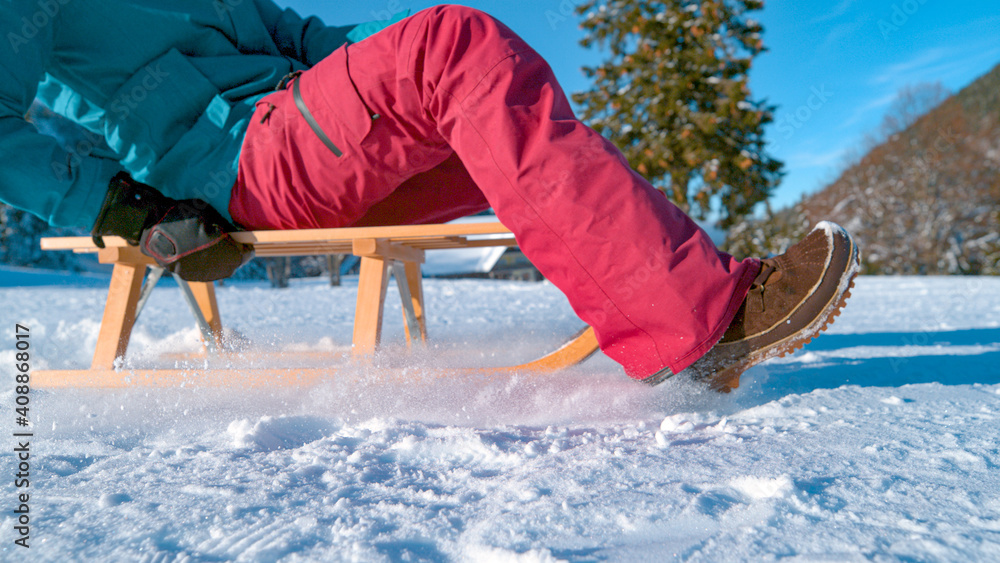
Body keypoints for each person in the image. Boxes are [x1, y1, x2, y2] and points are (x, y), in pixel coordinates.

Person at [0, 1, 858, 390]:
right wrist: (116, 207)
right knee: (458, 46)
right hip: (235, 166)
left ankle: (686, 297)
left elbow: (307, 38)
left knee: (516, 106)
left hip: (315, 135)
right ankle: (706, 317)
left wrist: (420, 52)